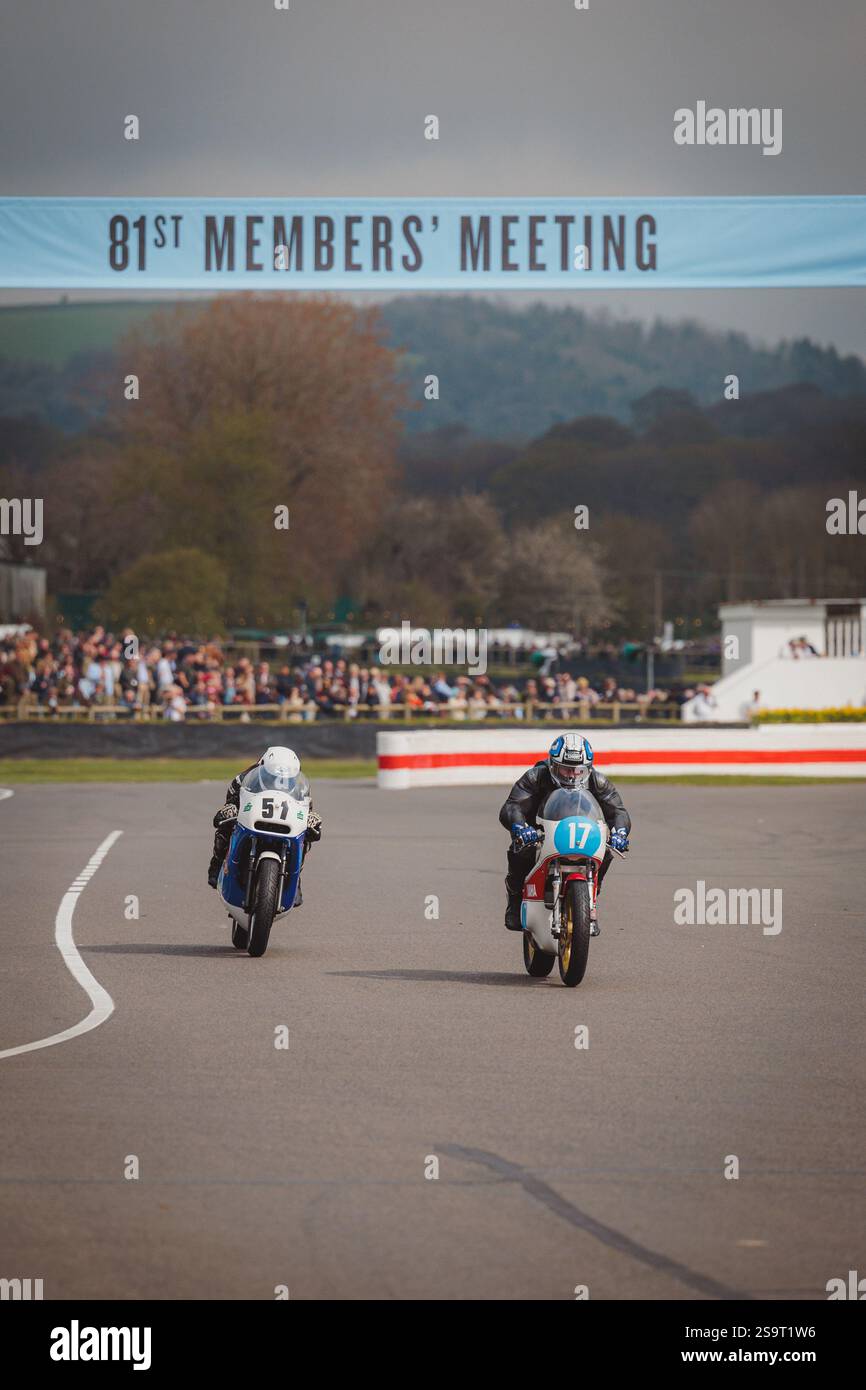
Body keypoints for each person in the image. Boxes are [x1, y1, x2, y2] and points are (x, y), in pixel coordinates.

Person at [499, 732, 631, 933]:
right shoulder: (535, 776)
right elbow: (512, 806)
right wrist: (520, 827)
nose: (572, 775)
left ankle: (591, 900)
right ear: (553, 765)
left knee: (606, 849)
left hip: (580, 832)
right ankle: (516, 899)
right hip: (539, 830)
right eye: (566, 769)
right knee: (522, 850)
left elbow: (618, 811)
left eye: (578, 770)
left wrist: (620, 832)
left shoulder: (598, 781)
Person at [207, 745, 323, 895]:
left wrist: (311, 819)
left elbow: (305, 808)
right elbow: (230, 803)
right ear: (263, 766)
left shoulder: (300, 785)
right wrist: (229, 810)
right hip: (253, 817)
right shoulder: (243, 778)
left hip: (283, 821)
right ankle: (216, 863)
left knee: (304, 836)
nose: (281, 778)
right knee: (224, 827)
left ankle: (296, 878)